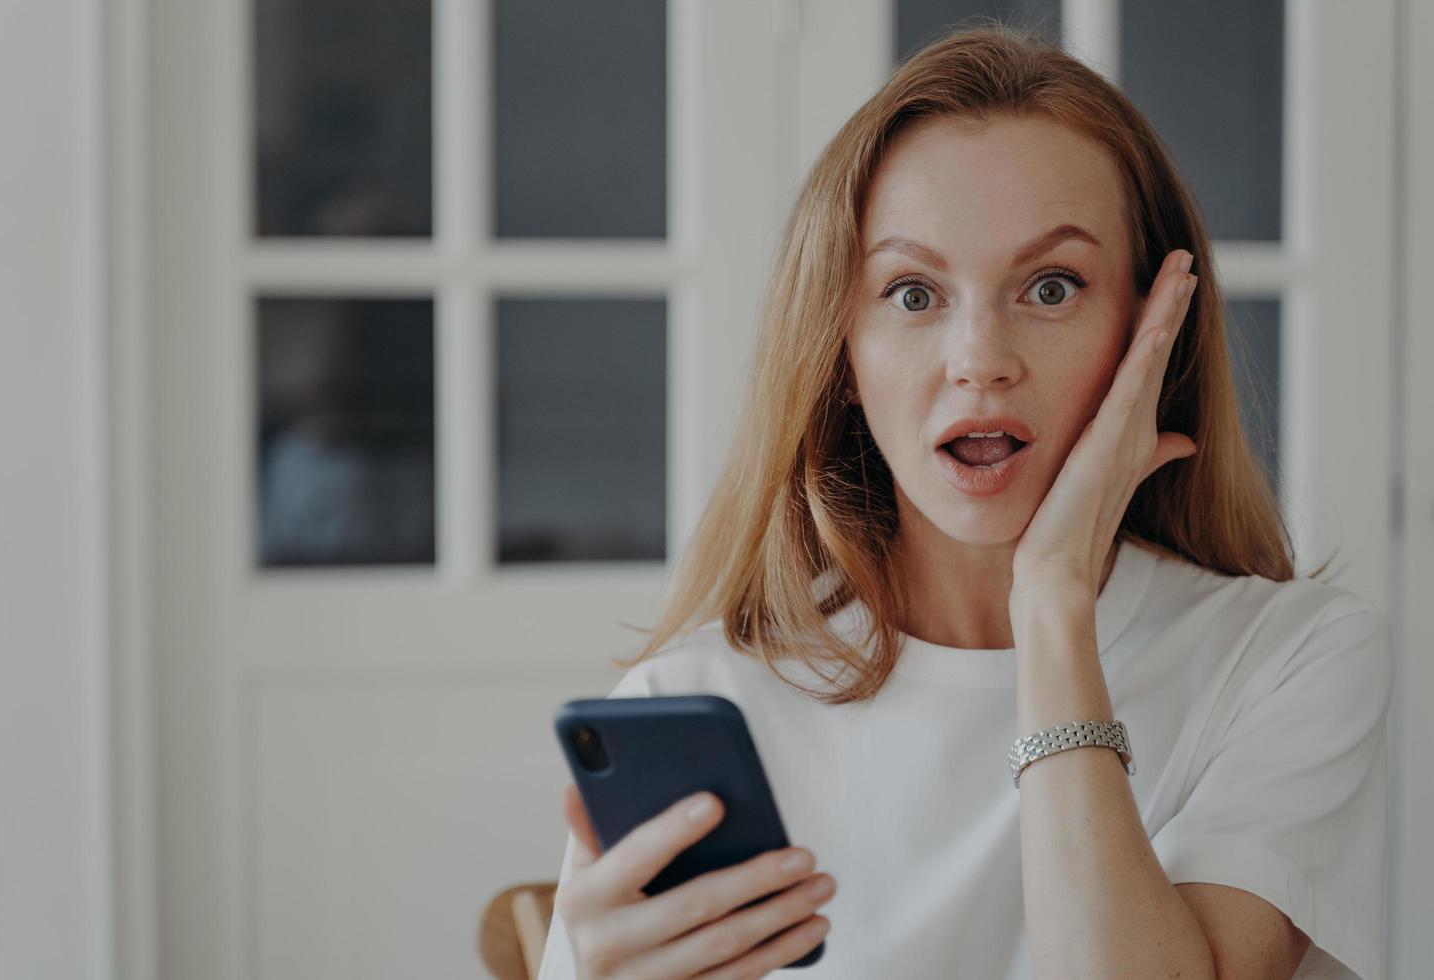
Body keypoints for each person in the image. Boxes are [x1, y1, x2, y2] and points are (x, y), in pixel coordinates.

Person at [536, 22, 1392, 980]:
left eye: (1053, 287)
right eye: (911, 295)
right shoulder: (696, 702)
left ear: (1153, 330)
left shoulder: (1288, 662)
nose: (981, 360)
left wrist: (1053, 598)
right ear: (841, 355)